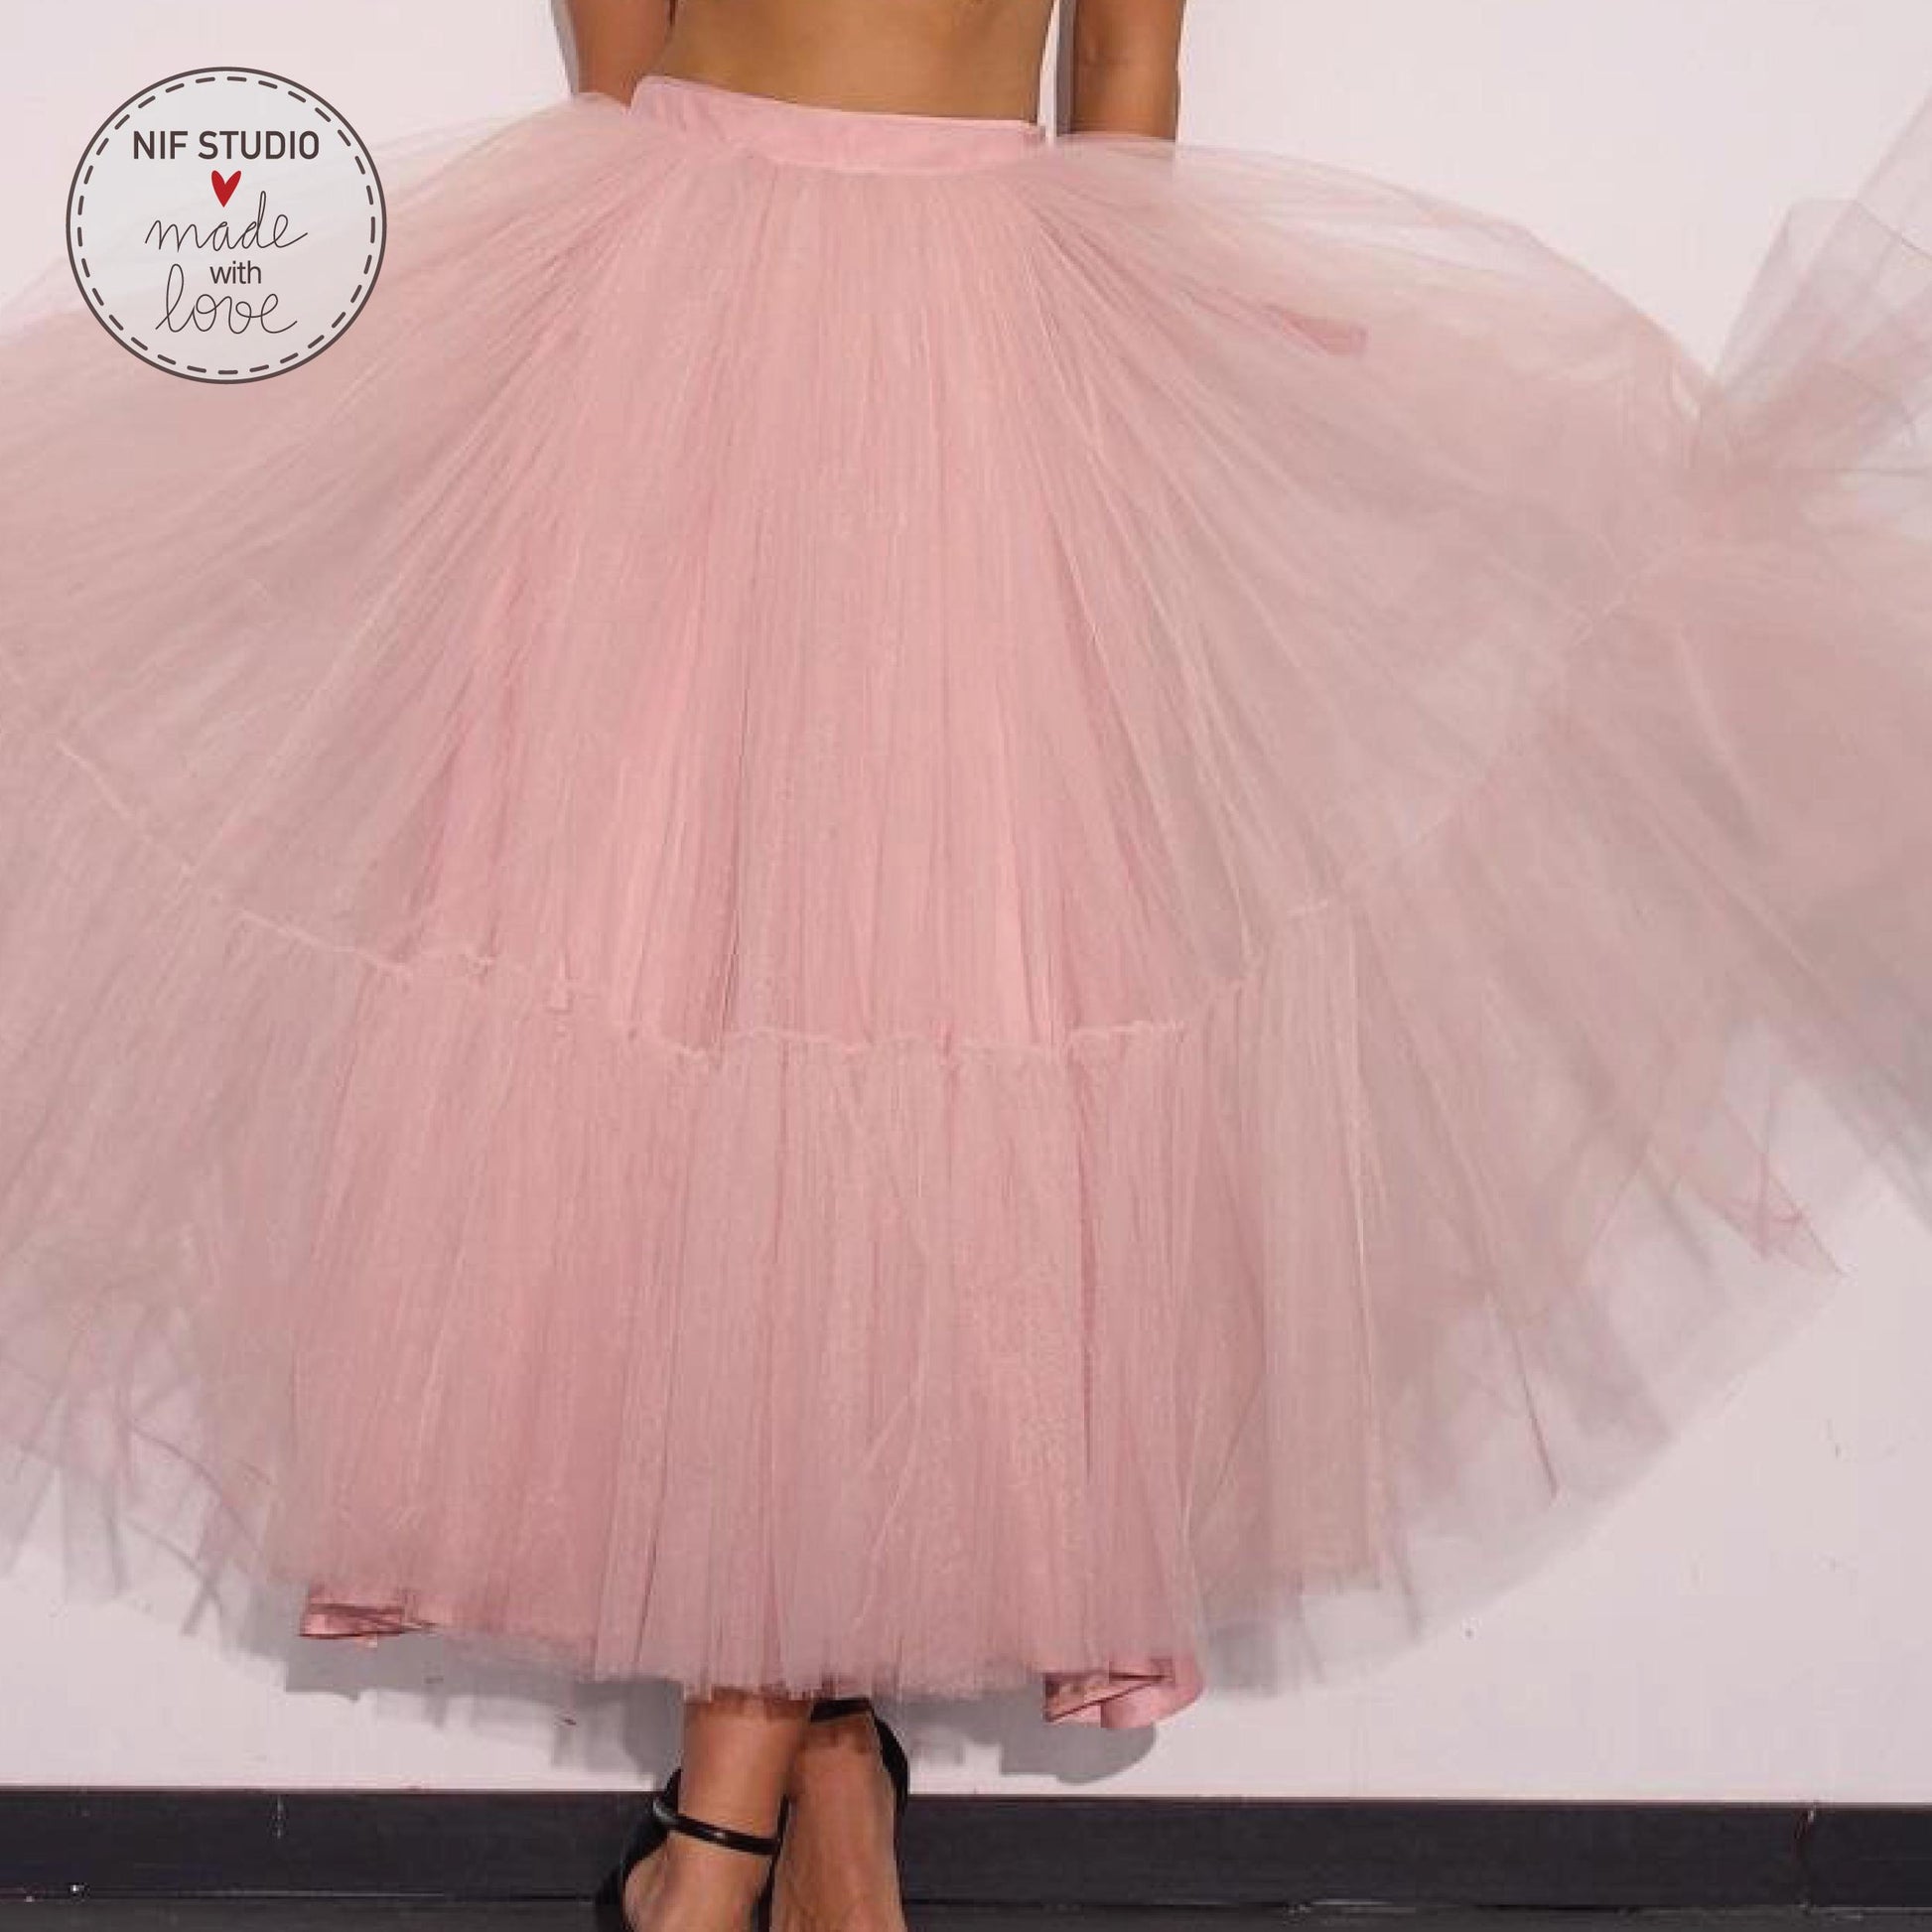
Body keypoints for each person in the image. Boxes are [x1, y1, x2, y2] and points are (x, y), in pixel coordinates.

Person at [2, 3, 1931, 1930]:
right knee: (695, 996)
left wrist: (1113, 408)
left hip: (960, 325)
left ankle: (733, 1818)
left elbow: (1116, 71)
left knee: (910, 1014)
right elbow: (650, 33)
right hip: (680, 307)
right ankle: (814, 1778)